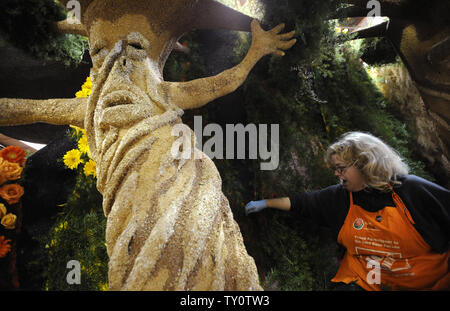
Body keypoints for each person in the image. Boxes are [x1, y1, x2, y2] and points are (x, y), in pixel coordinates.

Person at [245, 131, 449, 291]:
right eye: (335, 169)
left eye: (341, 168)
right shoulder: (341, 196)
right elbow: (303, 202)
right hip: (369, 279)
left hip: (429, 280)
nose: (336, 174)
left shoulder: (411, 190)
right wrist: (265, 203)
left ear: (365, 165)